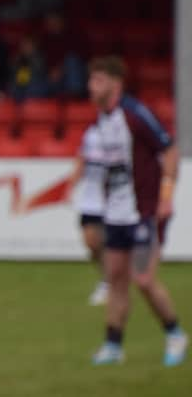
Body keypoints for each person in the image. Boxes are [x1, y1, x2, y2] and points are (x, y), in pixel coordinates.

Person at [87, 56, 188, 366]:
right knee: (116, 278)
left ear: (115, 84)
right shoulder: (100, 121)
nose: (92, 86)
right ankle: (113, 345)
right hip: (116, 214)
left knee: (142, 278)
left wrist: (166, 196)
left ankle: (175, 333)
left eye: (98, 80)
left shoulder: (135, 114)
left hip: (144, 211)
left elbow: (169, 150)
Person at [68, 124, 107, 306]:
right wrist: (72, 184)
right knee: (91, 242)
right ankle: (107, 280)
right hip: (91, 199)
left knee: (115, 244)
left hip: (115, 199)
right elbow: (82, 159)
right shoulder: (92, 133)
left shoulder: (125, 131)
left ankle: (113, 283)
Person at [9, 35, 50, 102]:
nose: (25, 47)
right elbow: (18, 79)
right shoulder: (19, 59)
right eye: (23, 45)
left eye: (27, 44)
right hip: (21, 89)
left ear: (34, 46)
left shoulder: (39, 58)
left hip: (36, 89)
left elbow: (36, 73)